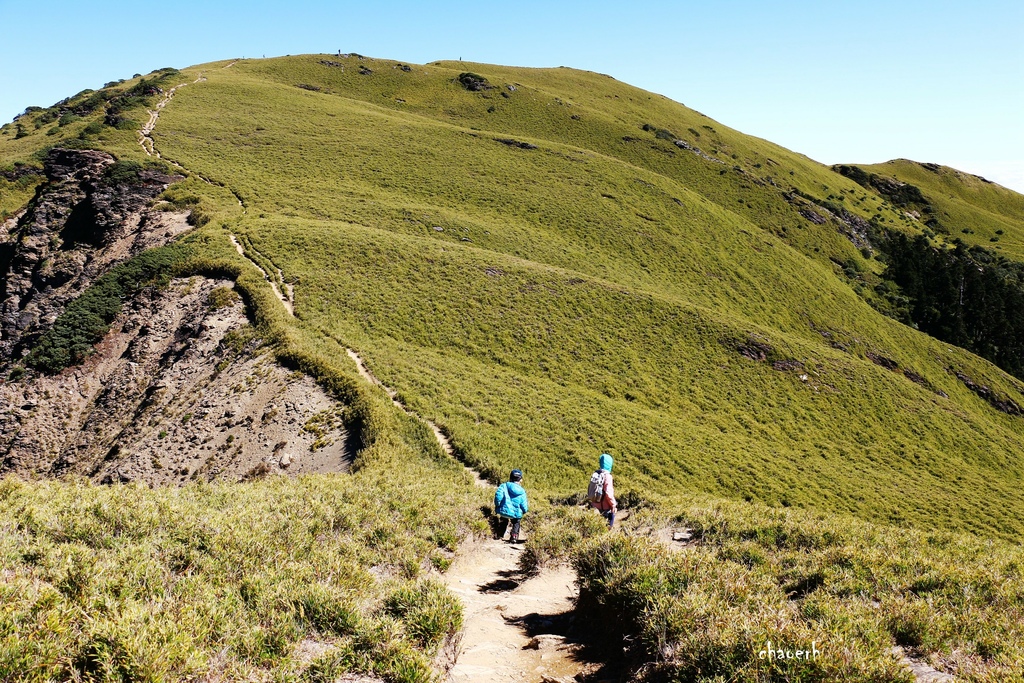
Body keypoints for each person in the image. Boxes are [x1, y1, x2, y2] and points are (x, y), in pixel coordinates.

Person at [494, 469, 529, 543]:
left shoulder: (504, 486)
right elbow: (524, 504)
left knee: (503, 520)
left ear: (510, 478)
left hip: (504, 511)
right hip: (516, 514)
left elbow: (498, 497)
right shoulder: (522, 491)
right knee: (516, 522)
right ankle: (514, 536)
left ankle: (499, 534)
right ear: (521, 480)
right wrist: (524, 511)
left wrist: (497, 505)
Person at [588, 453, 617, 528]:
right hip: (605, 506)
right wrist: (613, 505)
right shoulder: (607, 476)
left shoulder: (596, 474)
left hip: (595, 504)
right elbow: (608, 493)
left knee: (597, 526)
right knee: (608, 526)